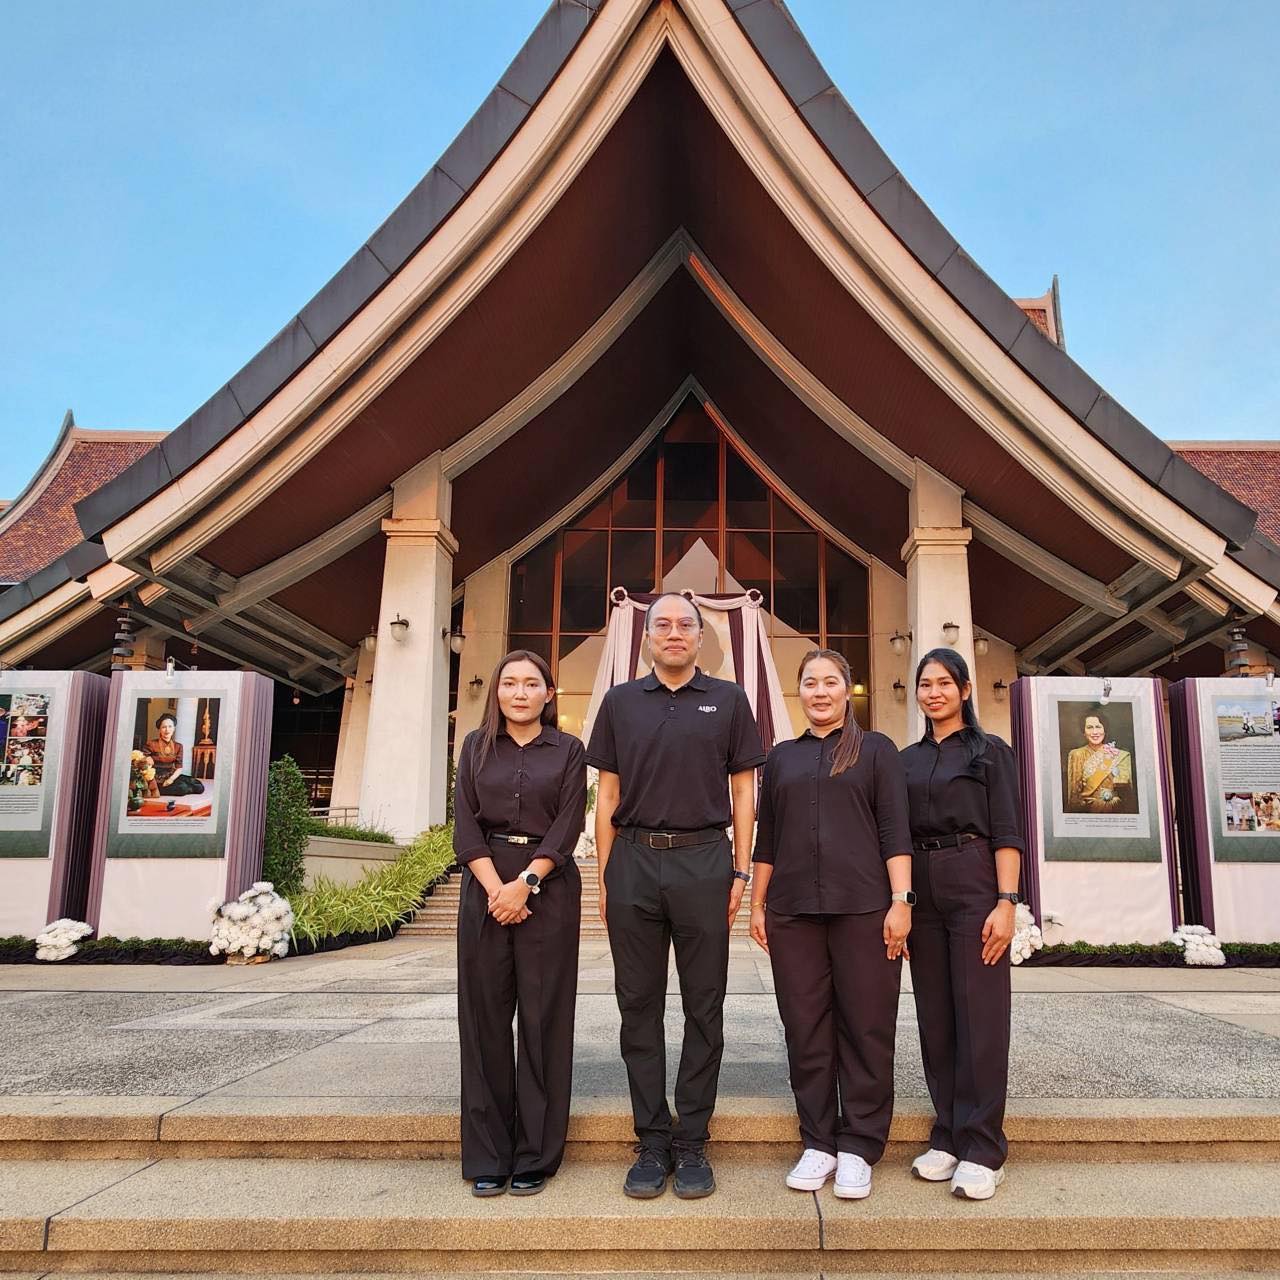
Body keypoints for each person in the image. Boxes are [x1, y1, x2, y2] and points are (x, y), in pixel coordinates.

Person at [588, 592, 765, 1199]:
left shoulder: (730, 700)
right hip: (633, 860)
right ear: (646, 637)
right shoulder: (619, 702)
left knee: (703, 1006)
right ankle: (652, 1138)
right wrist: (608, 877)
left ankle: (691, 1140)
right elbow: (605, 797)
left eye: (683, 624)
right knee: (637, 1006)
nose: (672, 632)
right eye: (660, 623)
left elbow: (744, 793)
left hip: (704, 861)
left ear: (699, 637)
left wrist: (740, 873)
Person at [750, 649, 912, 1199]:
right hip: (793, 913)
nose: (820, 692)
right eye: (810, 682)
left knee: (866, 1026)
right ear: (800, 692)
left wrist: (902, 901)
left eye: (830, 682)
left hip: (865, 910)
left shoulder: (876, 752)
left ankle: (860, 1144)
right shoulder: (781, 759)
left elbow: (895, 831)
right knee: (805, 1027)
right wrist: (757, 904)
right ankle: (818, 1141)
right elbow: (766, 839)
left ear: (848, 689)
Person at [453, 650, 587, 1198]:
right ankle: (488, 1153)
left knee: (542, 1020)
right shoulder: (475, 748)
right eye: (510, 683)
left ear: (549, 695)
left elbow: (569, 822)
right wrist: (496, 890)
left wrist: (526, 884)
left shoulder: (570, 751)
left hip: (546, 888)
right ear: (498, 693)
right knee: (484, 1021)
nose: (520, 692)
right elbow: (465, 825)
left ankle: (535, 1153)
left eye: (532, 684)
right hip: (486, 888)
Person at [901, 647, 1024, 1201]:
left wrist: (1006, 901)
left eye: (944, 683)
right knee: (937, 1015)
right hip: (920, 886)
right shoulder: (904, 760)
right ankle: (948, 1133)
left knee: (980, 1013)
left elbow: (1008, 831)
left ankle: (983, 1146)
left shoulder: (990, 752)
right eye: (925, 684)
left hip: (974, 878)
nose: (934, 692)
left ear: (965, 690)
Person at [1064, 711, 1134, 813]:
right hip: (1088, 811)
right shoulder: (1077, 754)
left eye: (1098, 727)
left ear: (1105, 730)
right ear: (1083, 731)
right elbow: (1074, 795)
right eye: (1089, 727)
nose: (1095, 732)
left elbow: (1127, 792)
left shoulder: (1120, 755)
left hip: (1116, 810)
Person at [144, 713, 205, 798]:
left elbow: (179, 767)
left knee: (198, 786)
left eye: (170, 727)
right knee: (182, 788)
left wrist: (171, 780)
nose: (167, 730)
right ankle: (159, 790)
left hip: (171, 775)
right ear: (159, 729)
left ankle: (178, 786)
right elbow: (143, 763)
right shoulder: (151, 744)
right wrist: (147, 759)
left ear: (174, 729)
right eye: (164, 727)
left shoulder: (178, 746)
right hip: (156, 779)